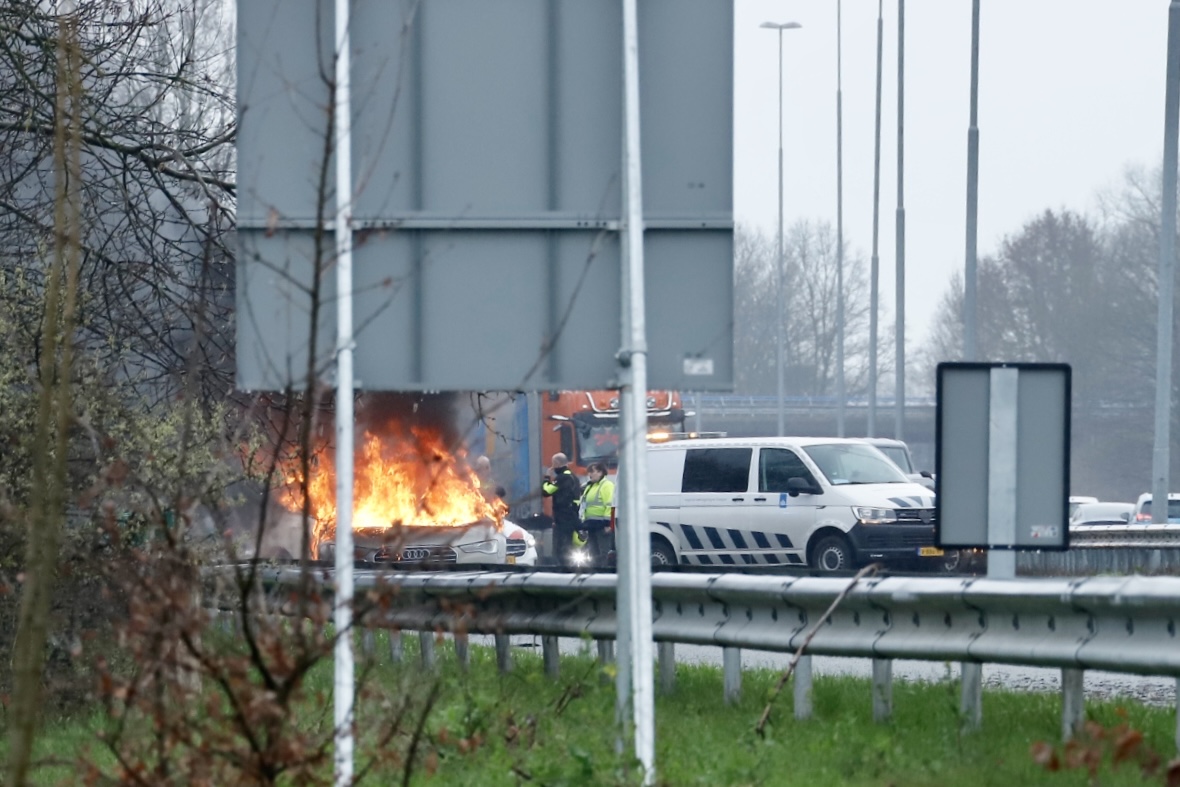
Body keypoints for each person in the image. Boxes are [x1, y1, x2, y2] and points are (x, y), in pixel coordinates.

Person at [541, 452, 581, 566]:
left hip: (563, 518)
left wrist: (547, 478)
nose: (552, 467)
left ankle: (563, 569)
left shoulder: (562, 478)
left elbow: (546, 491)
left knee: (561, 546)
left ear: (558, 463)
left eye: (553, 464)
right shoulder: (574, 477)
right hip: (572, 516)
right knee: (569, 545)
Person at [577, 462, 615, 565]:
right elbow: (584, 505)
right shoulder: (590, 487)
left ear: (600, 472)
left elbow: (610, 504)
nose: (590, 474)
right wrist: (583, 524)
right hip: (591, 525)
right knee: (593, 554)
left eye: (592, 471)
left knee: (603, 553)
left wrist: (608, 524)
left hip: (602, 526)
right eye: (589, 472)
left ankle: (604, 575)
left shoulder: (607, 485)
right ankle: (596, 575)